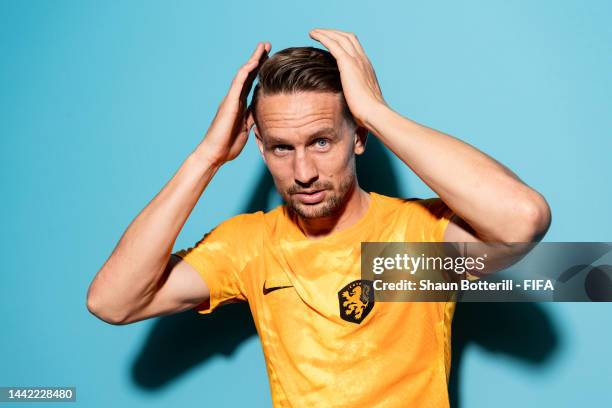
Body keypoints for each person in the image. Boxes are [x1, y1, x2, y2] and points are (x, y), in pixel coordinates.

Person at [87, 29, 551, 407]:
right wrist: (206, 158)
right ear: (261, 148)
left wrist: (374, 109)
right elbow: (112, 302)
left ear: (359, 137)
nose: (303, 173)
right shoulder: (250, 246)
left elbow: (523, 220)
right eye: (282, 148)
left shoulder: (415, 239)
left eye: (322, 141)